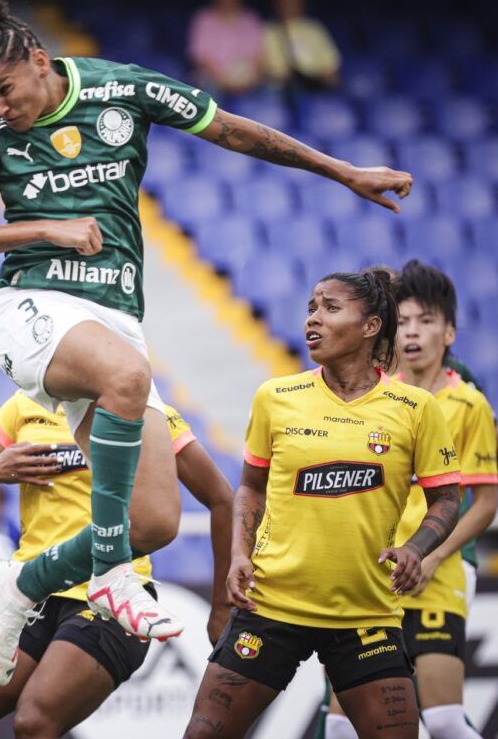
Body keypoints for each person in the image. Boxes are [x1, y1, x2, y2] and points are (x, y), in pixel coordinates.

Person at [0, 0, 414, 684]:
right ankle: (110, 574)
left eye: (5, 90)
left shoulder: (120, 89)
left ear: (39, 59)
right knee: (127, 376)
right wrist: (46, 227)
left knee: (153, 520)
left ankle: (26, 581)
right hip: (32, 309)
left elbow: (238, 131)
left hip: (114, 315)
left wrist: (343, 172)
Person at [183, 269, 462, 739]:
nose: (313, 319)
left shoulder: (415, 409)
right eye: (312, 308)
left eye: (330, 308)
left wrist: (416, 549)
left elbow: (447, 498)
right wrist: (238, 555)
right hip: (272, 606)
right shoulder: (277, 396)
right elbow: (250, 486)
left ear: (370, 326)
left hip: (365, 615)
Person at [0, 394, 234, 739]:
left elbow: (222, 497)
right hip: (28, 595)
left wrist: (222, 607)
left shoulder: (147, 412)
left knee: (34, 722)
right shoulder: (23, 405)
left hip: (108, 597)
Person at [324, 261, 495, 739]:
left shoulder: (470, 404)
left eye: (427, 320)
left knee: (442, 722)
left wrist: (434, 557)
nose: (415, 332)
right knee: (341, 727)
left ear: (450, 332)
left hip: (436, 570)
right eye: (407, 321)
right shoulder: (374, 396)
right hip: (374, 570)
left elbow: (484, 502)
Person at [187, 0, 264, 96]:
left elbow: (259, 54)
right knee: (207, 90)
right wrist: (224, 80)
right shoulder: (204, 19)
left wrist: (249, 78)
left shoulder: (250, 19)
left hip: (247, 80)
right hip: (214, 80)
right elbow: (200, 57)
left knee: (269, 90)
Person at [262, 0, 341, 93]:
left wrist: (322, 78)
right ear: (277, 3)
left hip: (317, 83)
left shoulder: (314, 28)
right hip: (286, 87)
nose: (290, 3)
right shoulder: (269, 30)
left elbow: (331, 65)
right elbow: (273, 70)